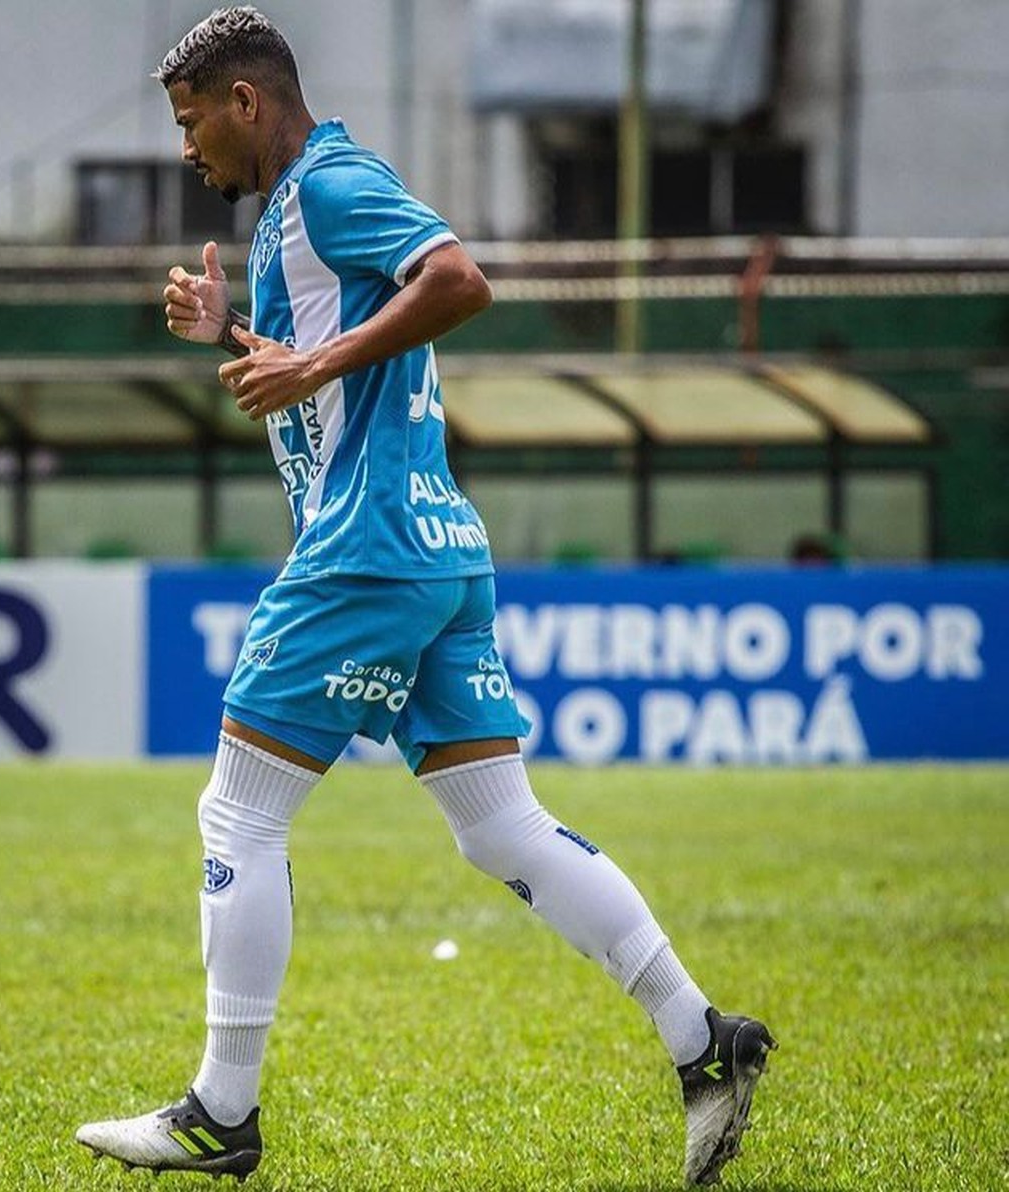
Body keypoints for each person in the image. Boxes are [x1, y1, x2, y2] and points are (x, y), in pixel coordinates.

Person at [76, 7, 776, 1186]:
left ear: (246, 101)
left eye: (192, 122)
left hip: (365, 549)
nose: (186, 151)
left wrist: (309, 359)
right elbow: (327, 372)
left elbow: (459, 279)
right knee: (500, 823)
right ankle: (705, 1043)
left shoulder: (332, 184)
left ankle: (221, 1112)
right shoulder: (293, 221)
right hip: (437, 543)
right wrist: (237, 337)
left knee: (239, 815)